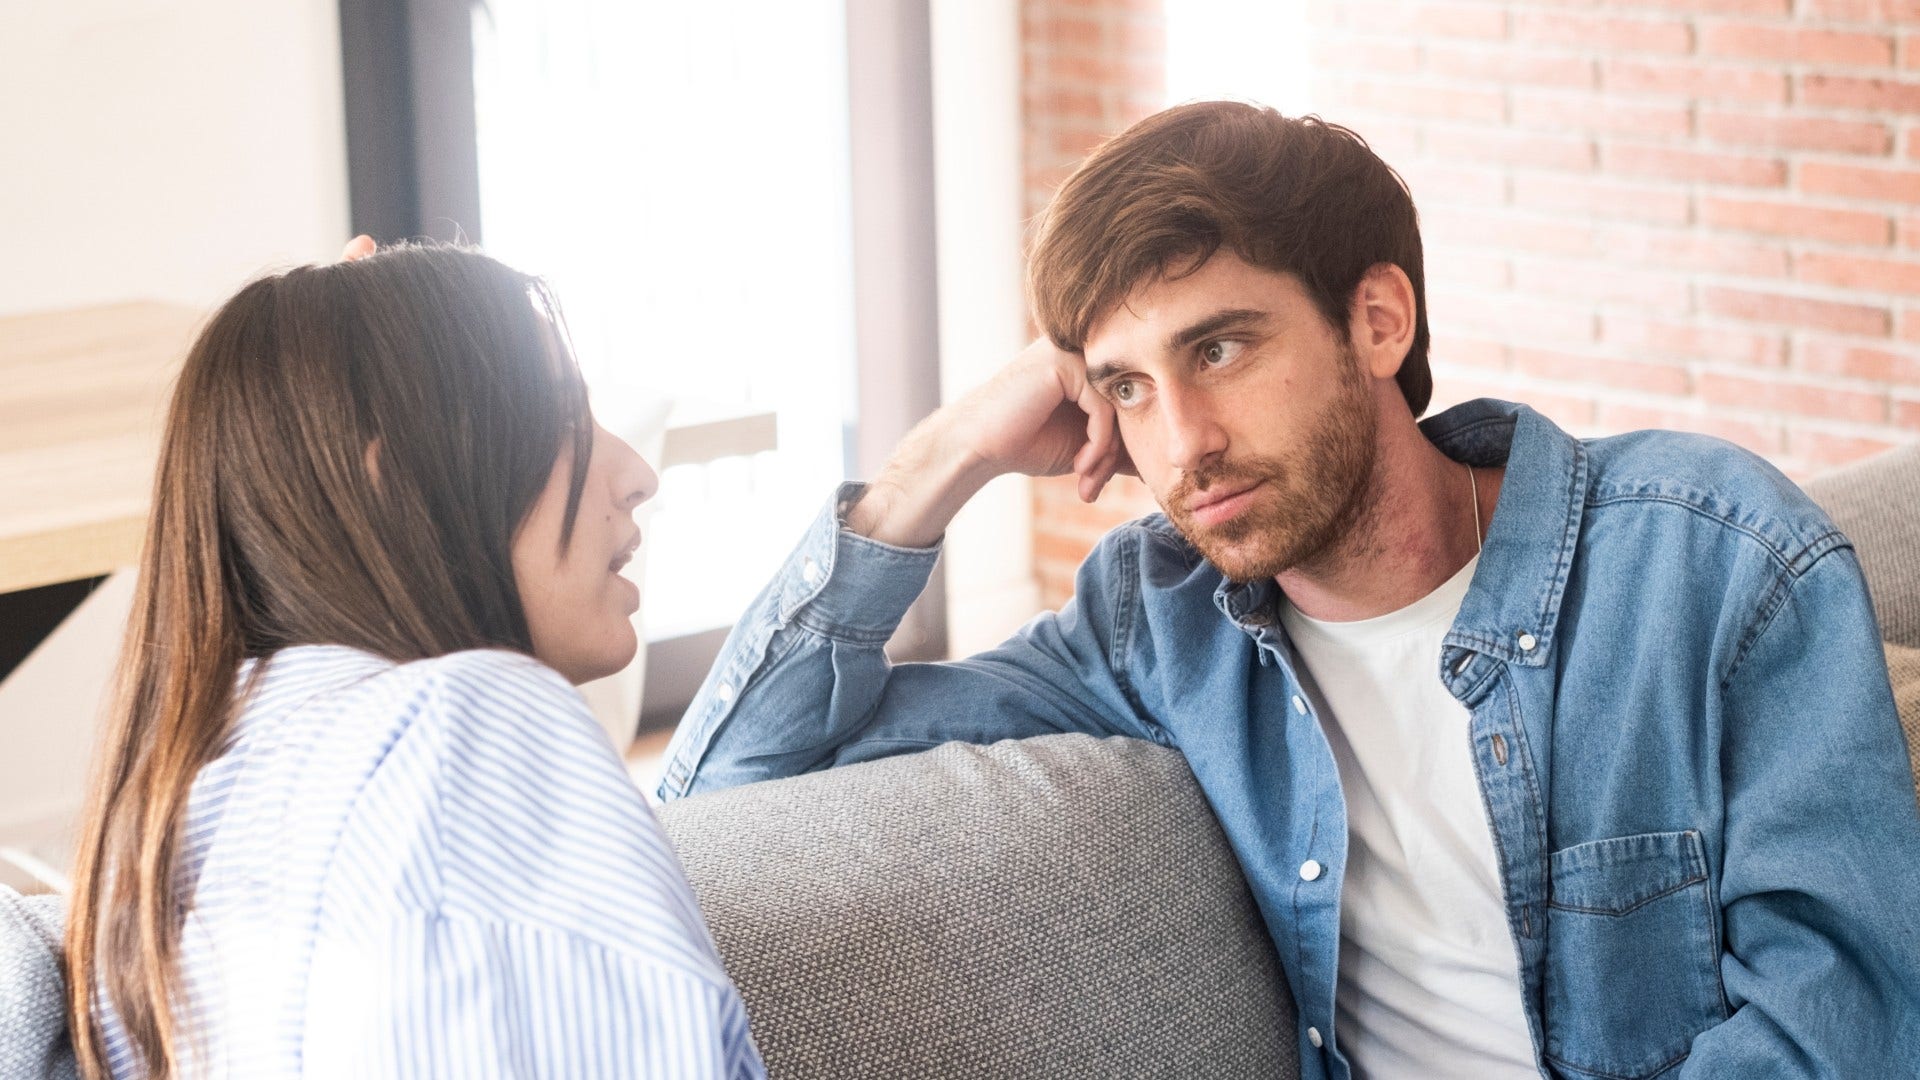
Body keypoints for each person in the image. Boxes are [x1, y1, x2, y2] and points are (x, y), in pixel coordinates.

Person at [657, 101, 1920, 1078]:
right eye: (1127, 385)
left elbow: (1849, 1025)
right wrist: (941, 461)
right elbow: (726, 790)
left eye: (1220, 346)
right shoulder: (1158, 620)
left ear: (1377, 322)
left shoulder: (1711, 560)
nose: (1182, 441)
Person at [63, 242, 765, 1079]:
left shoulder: (166, 816)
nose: (637, 473)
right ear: (391, 477)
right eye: (560, 420)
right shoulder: (469, 725)